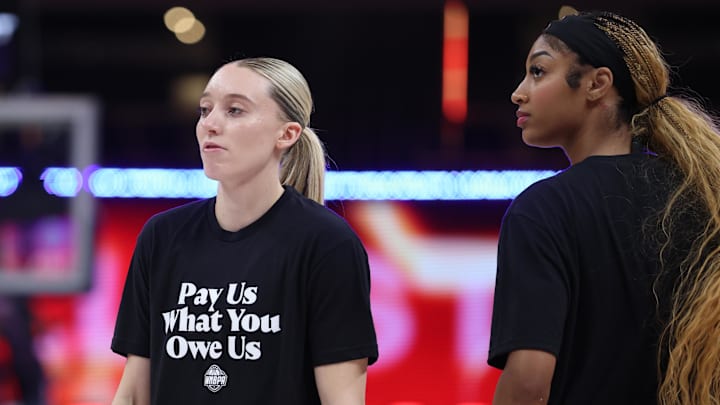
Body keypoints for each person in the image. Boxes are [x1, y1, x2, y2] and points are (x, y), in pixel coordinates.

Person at [110, 57, 378, 404]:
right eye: (205, 110)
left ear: (287, 133)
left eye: (234, 110)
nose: (210, 124)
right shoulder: (162, 237)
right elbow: (132, 394)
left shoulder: (328, 244)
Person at [488, 10, 720, 405]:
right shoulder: (703, 198)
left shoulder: (544, 209)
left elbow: (529, 382)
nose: (518, 92)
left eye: (538, 72)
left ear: (597, 84)